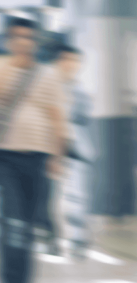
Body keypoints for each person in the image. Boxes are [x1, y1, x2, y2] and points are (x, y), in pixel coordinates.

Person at [0, 18, 67, 283]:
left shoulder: (49, 74)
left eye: (28, 37)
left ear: (36, 41)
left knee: (29, 223)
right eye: (17, 37)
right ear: (8, 40)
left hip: (38, 157)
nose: (24, 42)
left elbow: (58, 116)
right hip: (5, 155)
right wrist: (12, 63)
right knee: (11, 219)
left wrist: (58, 155)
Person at [54, 44, 94, 260]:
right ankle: (53, 237)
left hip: (77, 150)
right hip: (52, 149)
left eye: (75, 61)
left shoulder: (81, 92)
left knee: (77, 196)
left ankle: (78, 240)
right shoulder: (50, 87)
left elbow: (83, 118)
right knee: (53, 198)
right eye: (67, 60)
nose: (71, 65)